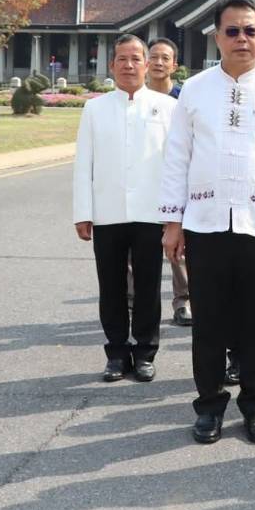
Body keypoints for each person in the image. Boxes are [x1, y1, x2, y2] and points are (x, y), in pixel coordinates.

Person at [160, 0, 255, 445]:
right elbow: (177, 157)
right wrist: (172, 222)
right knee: (209, 322)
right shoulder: (195, 90)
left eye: (250, 31)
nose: (242, 39)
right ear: (217, 37)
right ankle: (209, 406)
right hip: (205, 222)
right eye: (233, 31)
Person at [73, 35, 176, 382]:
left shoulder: (167, 107)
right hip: (108, 211)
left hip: (152, 212)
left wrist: (174, 215)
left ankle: (145, 352)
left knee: (148, 286)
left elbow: (176, 163)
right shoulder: (95, 109)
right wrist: (83, 212)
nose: (129, 65)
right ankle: (116, 353)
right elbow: (83, 163)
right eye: (122, 59)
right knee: (111, 287)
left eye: (135, 59)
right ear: (112, 65)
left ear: (146, 65)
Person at [144, 37, 190, 325]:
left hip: (178, 182)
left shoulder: (185, 98)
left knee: (180, 247)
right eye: (154, 57)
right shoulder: (135, 97)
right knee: (138, 249)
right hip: (144, 183)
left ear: (175, 65)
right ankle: (135, 302)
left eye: (165, 58)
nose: (158, 63)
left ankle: (183, 301)